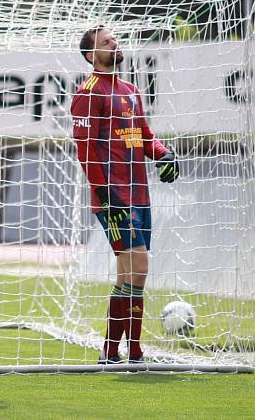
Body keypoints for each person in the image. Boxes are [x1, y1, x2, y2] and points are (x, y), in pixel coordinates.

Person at [70, 26, 179, 364]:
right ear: (92, 56)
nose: (114, 43)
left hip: (140, 194)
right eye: (106, 42)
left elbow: (144, 134)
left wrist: (163, 153)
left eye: (114, 39)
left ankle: (114, 353)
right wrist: (104, 194)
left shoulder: (131, 90)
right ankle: (131, 352)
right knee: (139, 265)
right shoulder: (88, 92)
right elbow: (85, 150)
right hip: (113, 197)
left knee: (132, 273)